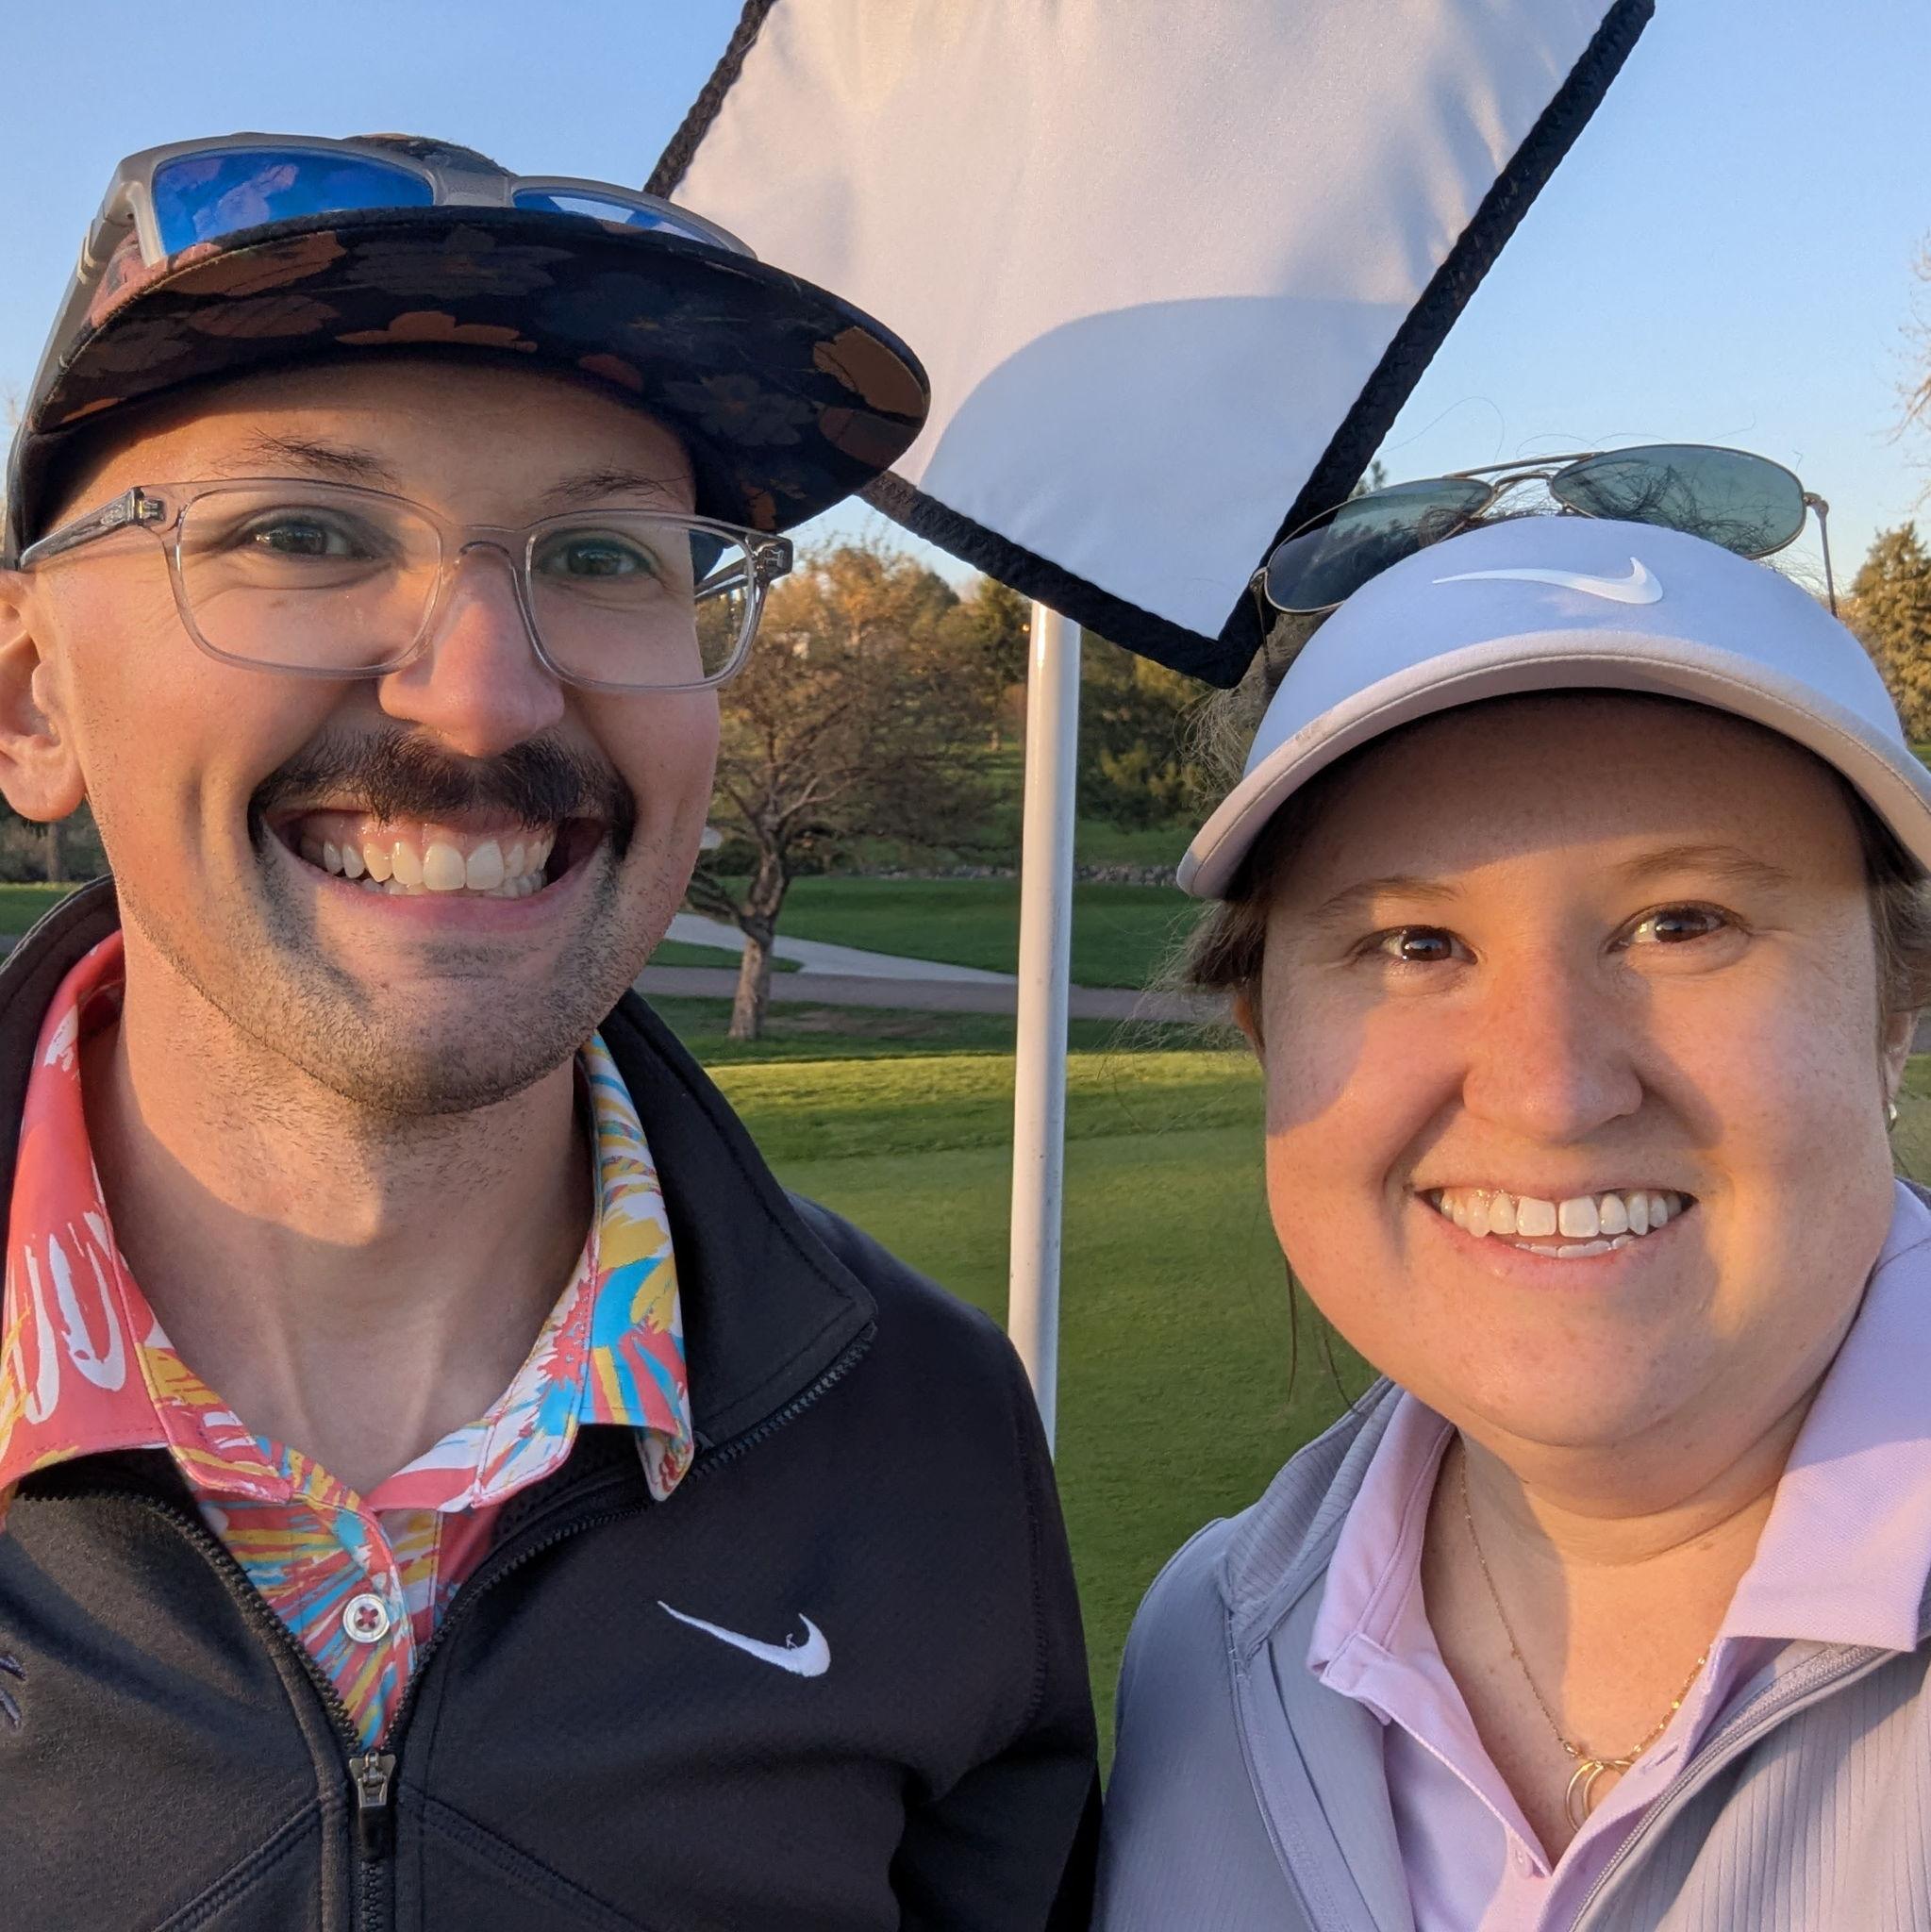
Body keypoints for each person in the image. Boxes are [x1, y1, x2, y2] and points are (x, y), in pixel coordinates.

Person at [0, 133, 1096, 1930]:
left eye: (604, 554)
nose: (486, 692)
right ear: (35, 698)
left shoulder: (931, 1432)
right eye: (302, 531)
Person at [1097, 460, 1931, 1930]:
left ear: (1895, 1014)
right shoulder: (1204, 1652)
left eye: (1685, 924)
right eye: (1414, 944)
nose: (1549, 1088)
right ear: (1267, 1041)